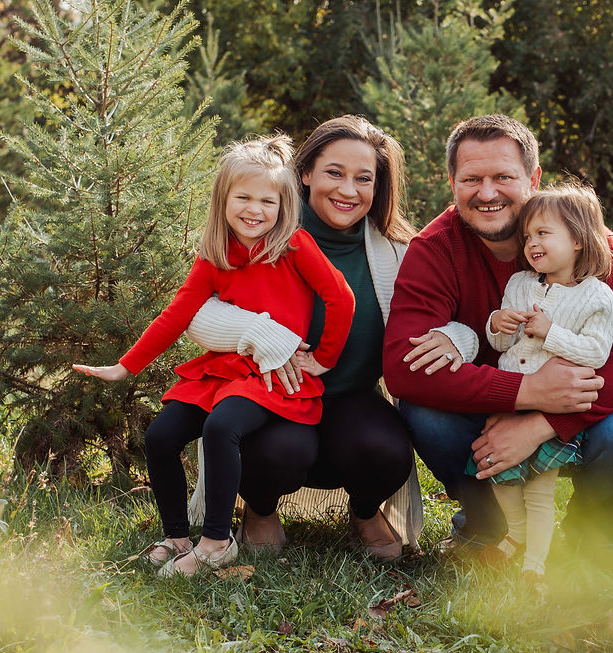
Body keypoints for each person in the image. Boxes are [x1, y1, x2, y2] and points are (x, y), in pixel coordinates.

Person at [183, 116, 471, 559]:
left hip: (349, 396)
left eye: (364, 179)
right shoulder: (262, 228)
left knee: (384, 450)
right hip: (267, 393)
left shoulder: (396, 250)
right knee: (280, 450)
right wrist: (261, 333)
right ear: (305, 173)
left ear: (378, 188)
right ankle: (259, 510)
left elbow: (449, 315)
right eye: (334, 173)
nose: (348, 190)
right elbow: (196, 314)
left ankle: (365, 512)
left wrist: (457, 337)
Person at [382, 114, 613, 566]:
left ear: (533, 177)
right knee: (426, 411)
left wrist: (543, 422)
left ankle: (594, 535)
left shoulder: (591, 246)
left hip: (575, 404)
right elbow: (402, 368)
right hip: (492, 405)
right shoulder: (434, 250)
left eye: (503, 177)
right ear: (452, 181)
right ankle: (489, 527)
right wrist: (523, 393)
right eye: (472, 178)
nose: (487, 192)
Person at [72, 135, 355, 576]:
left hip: (268, 375)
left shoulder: (295, 246)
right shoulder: (215, 255)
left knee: (222, 426)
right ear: (223, 200)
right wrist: (125, 365)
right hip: (222, 370)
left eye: (267, 200)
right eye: (242, 197)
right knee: (161, 436)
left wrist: (324, 358)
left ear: (283, 206)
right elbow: (177, 313)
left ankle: (217, 542)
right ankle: (176, 536)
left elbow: (341, 297)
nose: (254, 210)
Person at [467, 183, 613, 583]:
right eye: (528, 236)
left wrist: (551, 333)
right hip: (511, 399)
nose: (532, 243)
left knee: (538, 490)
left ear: (577, 240)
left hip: (554, 409)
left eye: (543, 234)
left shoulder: (597, 297)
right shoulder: (520, 283)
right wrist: (495, 325)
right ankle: (515, 535)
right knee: (496, 472)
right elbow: (502, 342)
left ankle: (535, 564)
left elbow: (596, 354)